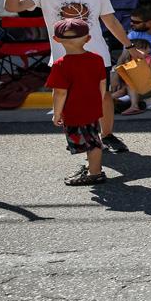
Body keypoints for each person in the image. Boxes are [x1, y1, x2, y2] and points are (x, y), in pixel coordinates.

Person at [7, 0, 150, 155]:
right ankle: (83, 139)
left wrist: (129, 47)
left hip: (97, 55)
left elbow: (111, 22)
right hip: (64, 59)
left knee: (103, 96)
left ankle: (106, 135)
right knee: (71, 100)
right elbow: (13, 6)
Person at [46, 19, 110, 186]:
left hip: (75, 110)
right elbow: (102, 83)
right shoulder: (97, 59)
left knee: (91, 142)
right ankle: (92, 167)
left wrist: (57, 113)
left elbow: (60, 92)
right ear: (88, 39)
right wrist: (99, 100)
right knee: (92, 137)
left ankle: (95, 173)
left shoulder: (61, 65)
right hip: (92, 106)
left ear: (56, 39)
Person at [114, 10, 151, 115]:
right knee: (124, 84)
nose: (132, 24)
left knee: (130, 86)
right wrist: (115, 75)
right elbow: (123, 57)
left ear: (150, 23)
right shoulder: (133, 35)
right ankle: (112, 102)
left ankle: (128, 104)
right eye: (131, 21)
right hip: (135, 71)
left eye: (136, 22)